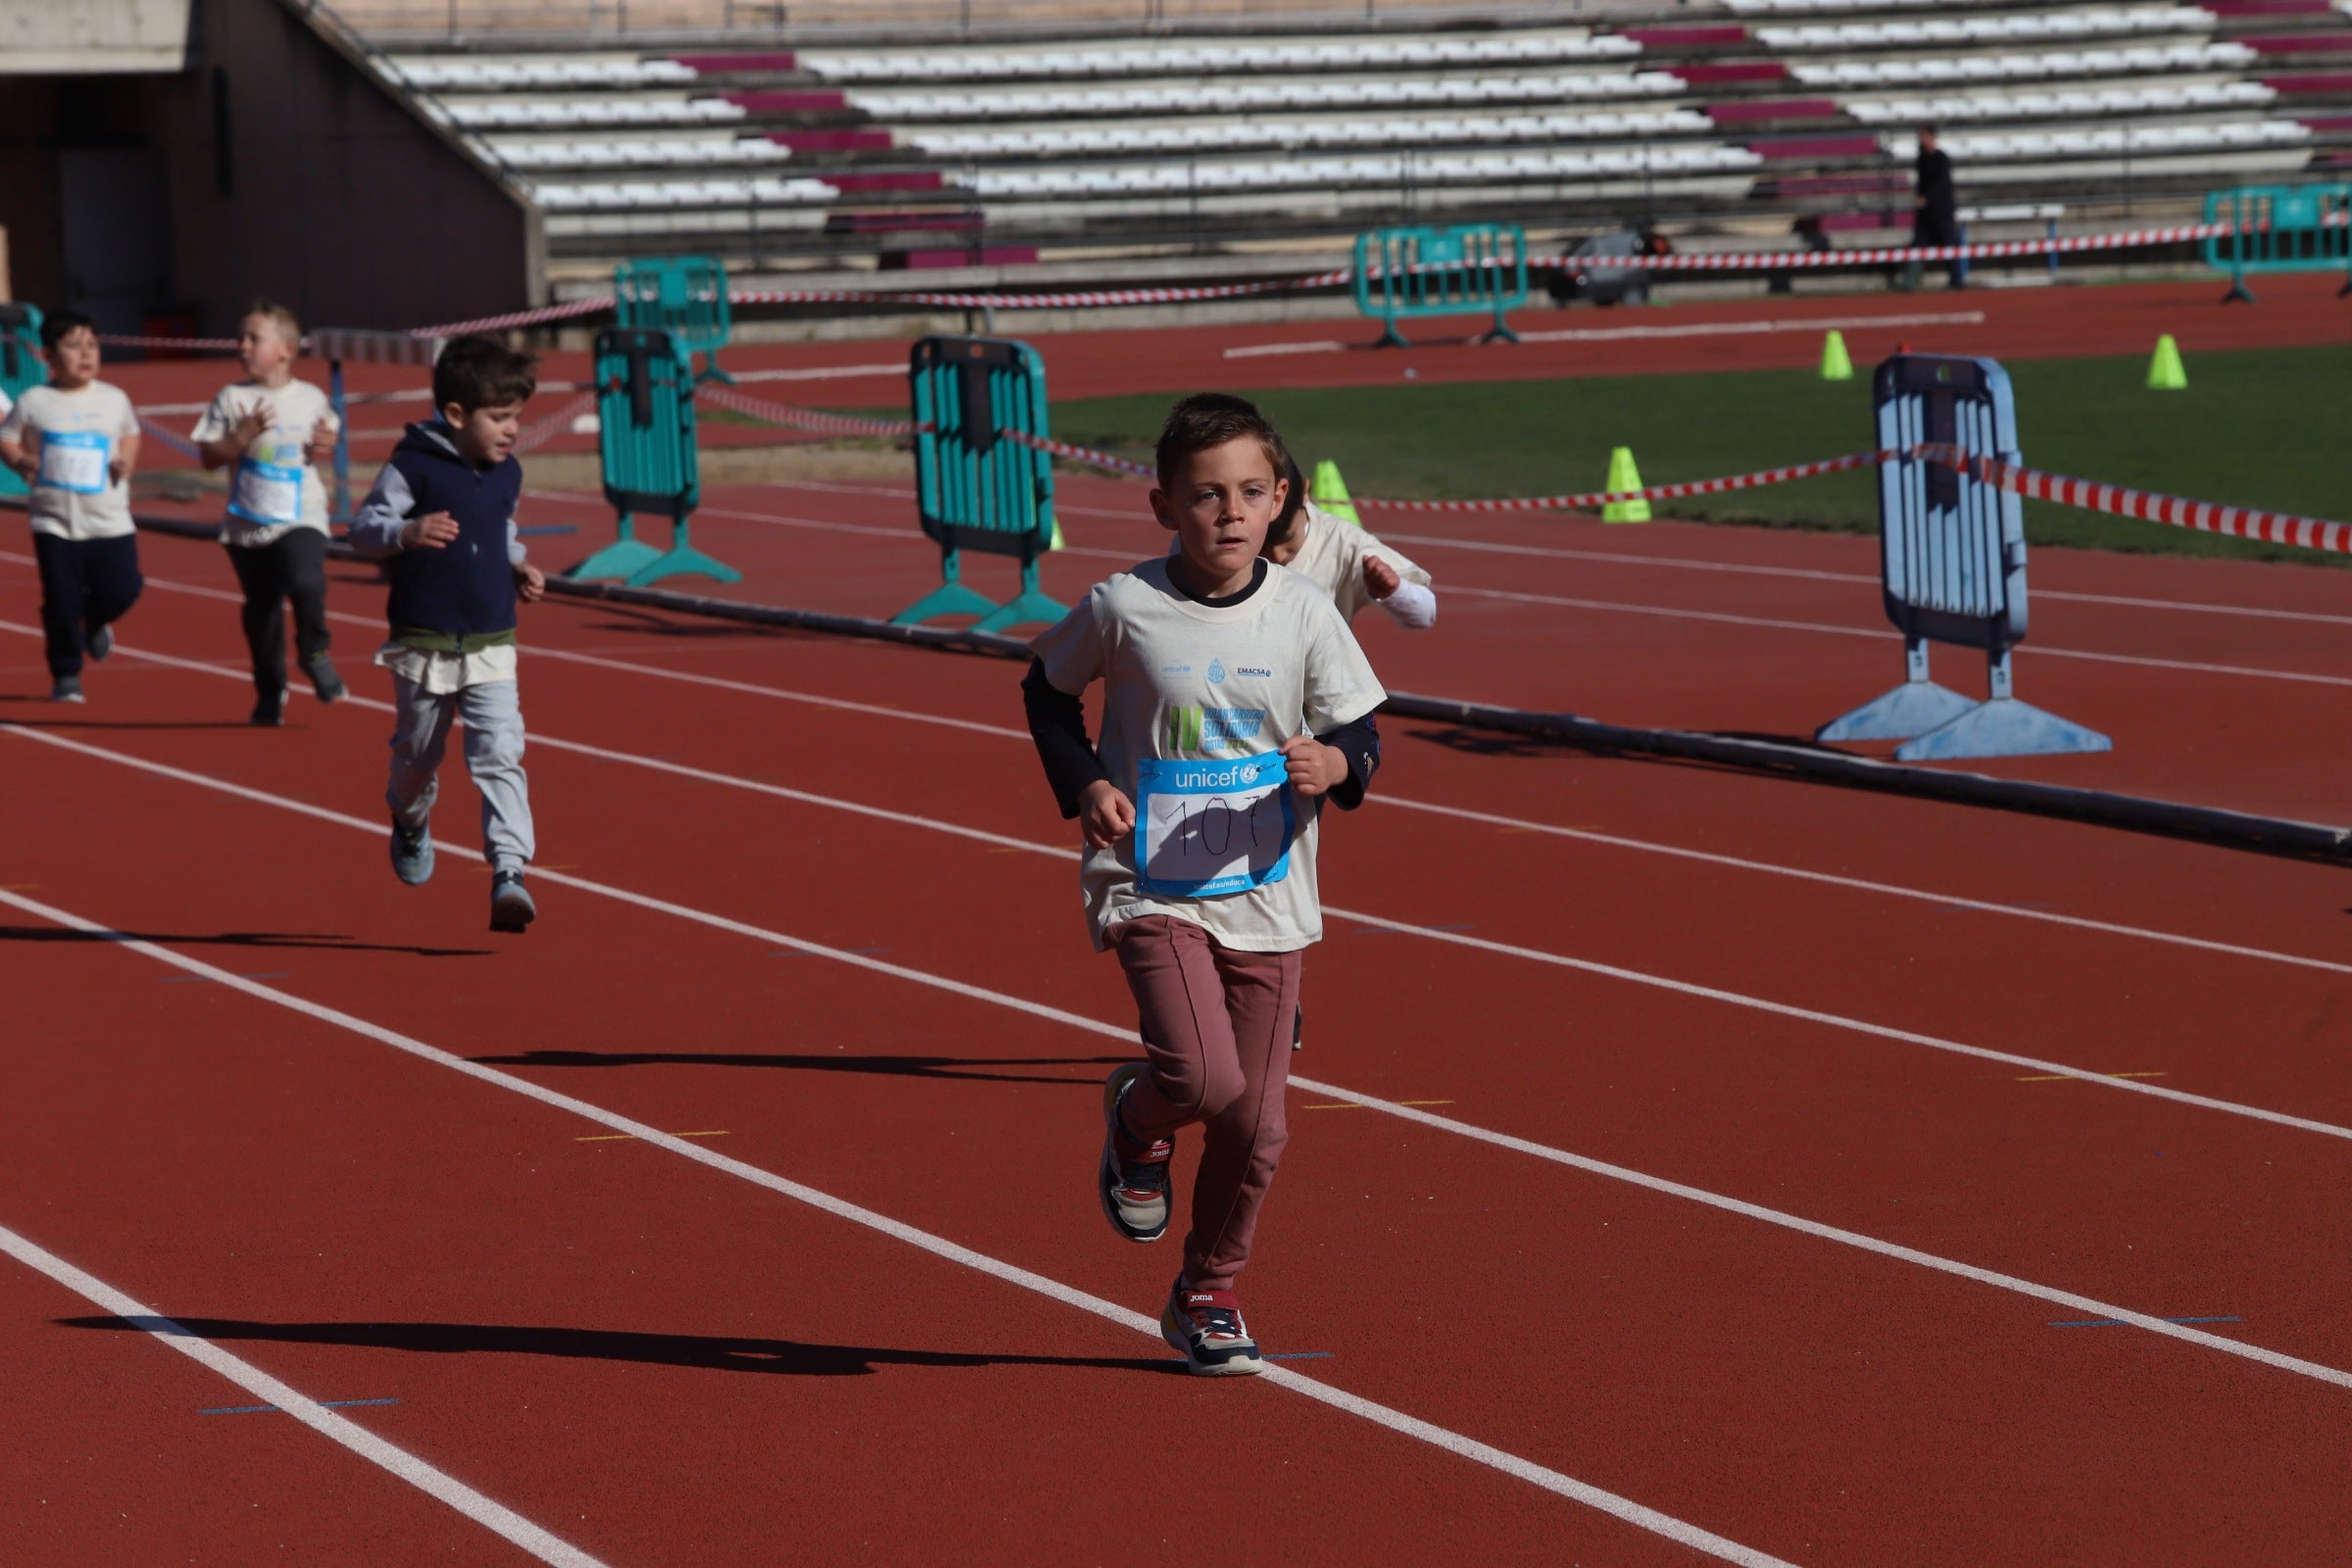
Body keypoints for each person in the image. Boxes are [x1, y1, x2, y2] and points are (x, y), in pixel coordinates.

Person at [1022, 393, 1386, 1376]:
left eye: (1252, 493)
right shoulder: (1122, 607)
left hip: (1268, 892)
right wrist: (1087, 782)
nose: (1231, 513)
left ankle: (1208, 1292)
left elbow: (1358, 728)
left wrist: (1337, 765)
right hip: (1151, 882)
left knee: (1257, 1127)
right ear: (1164, 506)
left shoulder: (1304, 611)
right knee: (1201, 1079)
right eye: (1206, 495)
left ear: (1281, 501)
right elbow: (1047, 693)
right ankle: (1140, 1123)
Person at [347, 334, 546, 934]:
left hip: (490, 639)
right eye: (500, 417)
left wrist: (517, 566)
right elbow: (363, 528)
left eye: (517, 416)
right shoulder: (413, 466)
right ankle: (409, 818)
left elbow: (501, 529)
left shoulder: (508, 473)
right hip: (424, 642)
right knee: (418, 755)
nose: (512, 430)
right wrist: (404, 534)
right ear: (457, 414)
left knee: (500, 752)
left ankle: (509, 869)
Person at [1252, 455, 1432, 1054]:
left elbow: (1424, 612)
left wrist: (1394, 591)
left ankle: (1278, 996)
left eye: (1285, 545)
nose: (1276, 558)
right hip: (1236, 717)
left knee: (1279, 859)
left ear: (1298, 493)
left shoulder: (1344, 543)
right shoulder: (1236, 535)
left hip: (1312, 729)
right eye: (1267, 547)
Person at [192, 301, 346, 725]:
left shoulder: (310, 398)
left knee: (306, 582)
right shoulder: (232, 398)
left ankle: (315, 652)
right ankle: (269, 687)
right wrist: (240, 437)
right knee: (261, 608)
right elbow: (208, 457)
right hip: (248, 519)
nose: (242, 346)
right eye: (239, 338)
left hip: (301, 512)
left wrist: (326, 442)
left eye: (253, 338)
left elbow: (328, 434)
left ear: (286, 350)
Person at [0, 309, 143, 704]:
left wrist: (126, 461)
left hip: (109, 519)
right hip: (55, 521)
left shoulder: (113, 399)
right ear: (47, 354)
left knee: (125, 589)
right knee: (61, 600)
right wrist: (19, 460)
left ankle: (93, 623)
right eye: (74, 346)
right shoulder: (34, 401)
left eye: (92, 345)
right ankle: (66, 673)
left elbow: (130, 435)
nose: (86, 353)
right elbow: (6, 438)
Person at [1913, 125, 1963, 291]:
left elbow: (1941, 184)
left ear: (1932, 137)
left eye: (1924, 136)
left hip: (1941, 210)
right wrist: (1920, 199)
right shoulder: (1921, 160)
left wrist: (1927, 198)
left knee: (1948, 243)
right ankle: (1911, 281)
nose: (1922, 140)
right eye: (1920, 137)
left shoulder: (1941, 159)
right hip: (1925, 212)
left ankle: (1956, 279)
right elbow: (1921, 184)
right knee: (1918, 244)